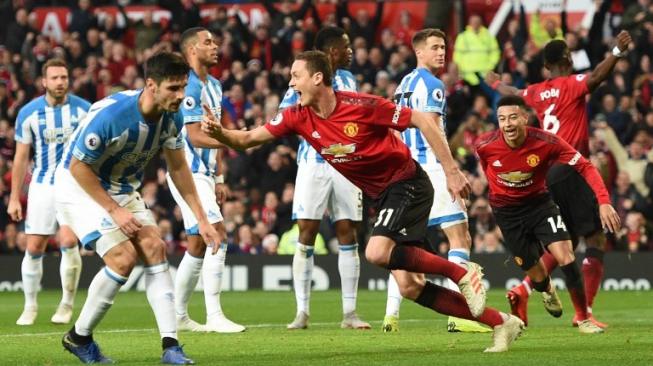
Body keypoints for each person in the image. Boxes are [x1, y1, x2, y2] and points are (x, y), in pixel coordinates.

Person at [203, 50, 525, 353]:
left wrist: (452, 172)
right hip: (383, 197)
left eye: (295, 75)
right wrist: (220, 134)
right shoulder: (298, 116)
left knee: (375, 251)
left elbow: (424, 121)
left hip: (407, 182)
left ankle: (459, 273)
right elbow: (247, 139)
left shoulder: (362, 105)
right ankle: (501, 323)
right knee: (410, 287)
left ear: (317, 78)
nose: (290, 83)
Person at [56, 52, 220, 364]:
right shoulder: (112, 116)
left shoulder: (173, 117)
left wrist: (202, 218)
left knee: (154, 248)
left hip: (121, 187)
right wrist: (113, 210)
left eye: (183, 87)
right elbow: (78, 167)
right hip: (79, 186)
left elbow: (179, 169)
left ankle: (171, 347)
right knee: (123, 258)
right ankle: (79, 338)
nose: (181, 95)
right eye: (173, 88)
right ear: (151, 85)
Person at [485, 30, 633, 328]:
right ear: (567, 59)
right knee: (595, 238)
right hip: (571, 165)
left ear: (545, 66)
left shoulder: (536, 91)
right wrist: (616, 53)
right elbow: (595, 79)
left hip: (548, 171)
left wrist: (495, 83)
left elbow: (512, 92)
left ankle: (523, 290)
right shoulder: (571, 84)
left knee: (568, 240)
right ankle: (585, 313)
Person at [475, 95, 621, 334]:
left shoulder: (546, 141)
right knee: (538, 275)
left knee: (565, 254)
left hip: (539, 205)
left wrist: (604, 202)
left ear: (525, 117)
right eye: (502, 119)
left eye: (513, 117)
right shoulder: (484, 144)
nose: (508, 124)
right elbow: (487, 167)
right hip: (507, 213)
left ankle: (583, 318)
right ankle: (547, 290)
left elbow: (584, 165)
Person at [383, 28, 489, 334]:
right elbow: (432, 128)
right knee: (460, 237)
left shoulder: (403, 84)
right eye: (435, 47)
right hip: (433, 168)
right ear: (420, 52)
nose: (441, 52)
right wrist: (452, 169)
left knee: (403, 244)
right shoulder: (433, 84)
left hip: (407, 171)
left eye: (443, 47)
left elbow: (395, 130)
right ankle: (459, 316)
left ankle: (391, 316)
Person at [278, 26, 369, 330]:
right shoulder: (303, 78)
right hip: (312, 163)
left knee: (347, 231)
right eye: (345, 46)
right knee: (306, 231)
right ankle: (301, 312)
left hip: (346, 163)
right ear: (332, 53)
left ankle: (350, 313)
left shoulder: (349, 79)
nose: (350, 51)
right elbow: (286, 114)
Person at [170, 27, 244, 334]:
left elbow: (214, 128)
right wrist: (237, 140)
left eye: (215, 41)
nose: (215, 46)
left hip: (207, 173)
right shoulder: (186, 86)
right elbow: (195, 135)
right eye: (208, 42)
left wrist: (221, 174)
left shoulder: (214, 84)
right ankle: (214, 315)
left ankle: (177, 315)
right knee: (216, 232)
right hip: (186, 169)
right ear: (192, 51)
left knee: (197, 244)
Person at [8, 58, 91, 326]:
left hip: (73, 186)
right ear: (44, 81)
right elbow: (21, 158)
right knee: (34, 247)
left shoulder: (84, 110)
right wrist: (13, 198)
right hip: (42, 185)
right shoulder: (29, 113)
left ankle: (66, 305)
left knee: (68, 242)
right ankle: (30, 306)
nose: (60, 82)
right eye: (54, 78)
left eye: (64, 77)